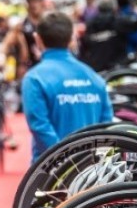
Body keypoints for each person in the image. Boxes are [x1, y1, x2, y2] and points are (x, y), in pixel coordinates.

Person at [21, 11, 113, 163]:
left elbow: (40, 128)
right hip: (93, 171)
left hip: (50, 175)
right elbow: (107, 126)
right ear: (73, 38)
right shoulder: (94, 77)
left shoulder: (35, 79)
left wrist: (65, 161)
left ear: (37, 40)